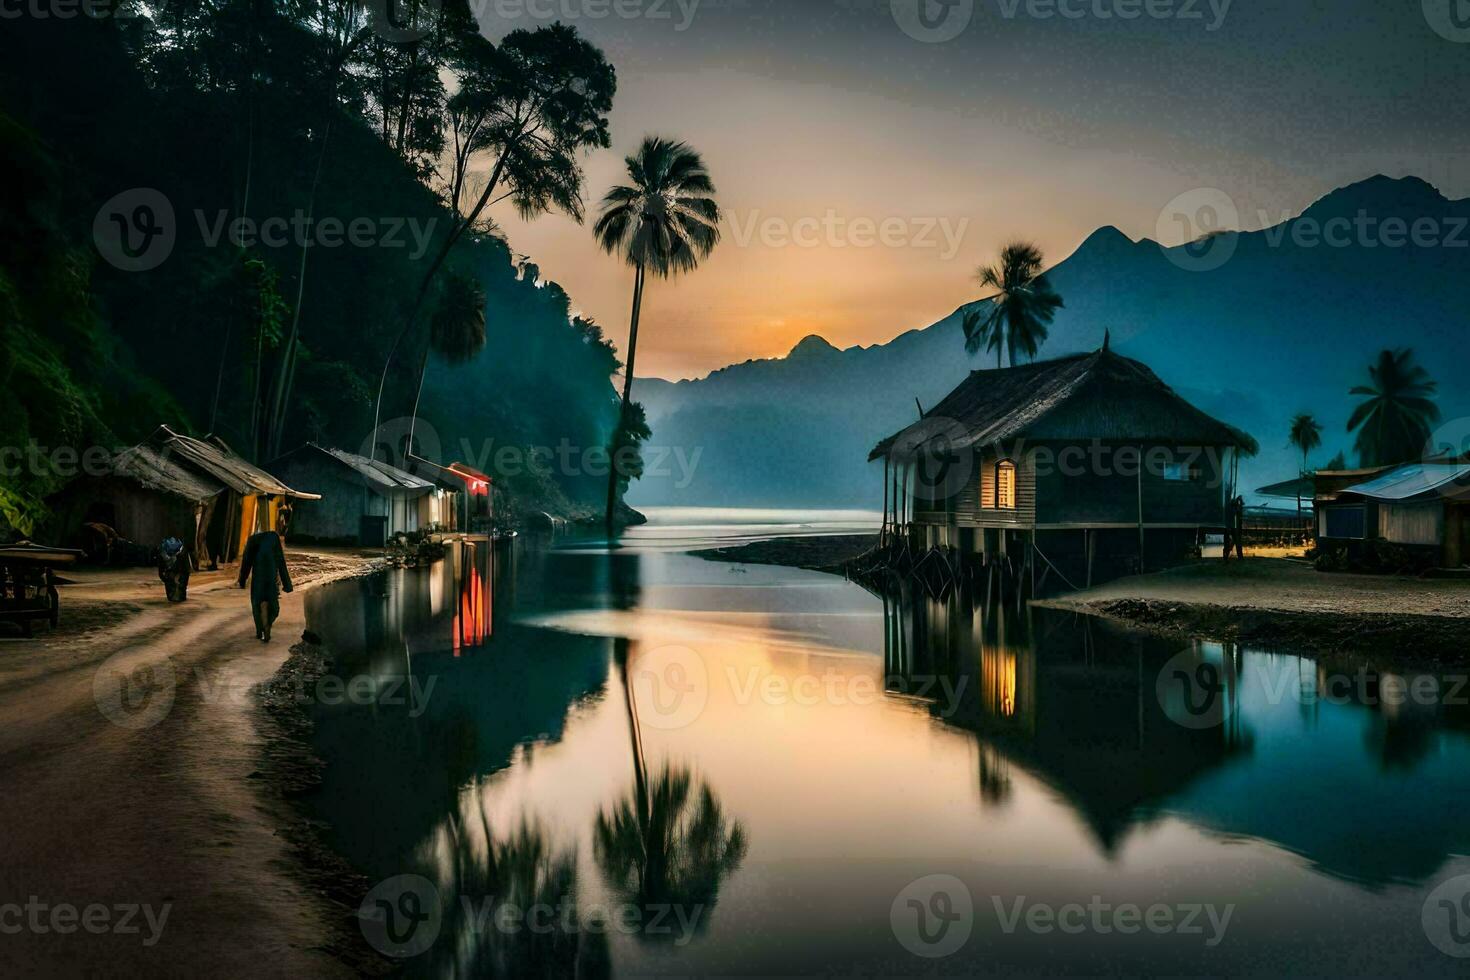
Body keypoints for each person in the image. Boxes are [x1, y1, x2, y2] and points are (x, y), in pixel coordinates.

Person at [238, 513, 293, 642]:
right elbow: (281, 561)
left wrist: (242, 580)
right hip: (271, 574)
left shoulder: (252, 540)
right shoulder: (274, 538)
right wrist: (287, 584)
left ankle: (260, 630)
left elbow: (246, 563)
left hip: (258, 575)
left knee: (257, 602)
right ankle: (268, 624)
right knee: (273, 605)